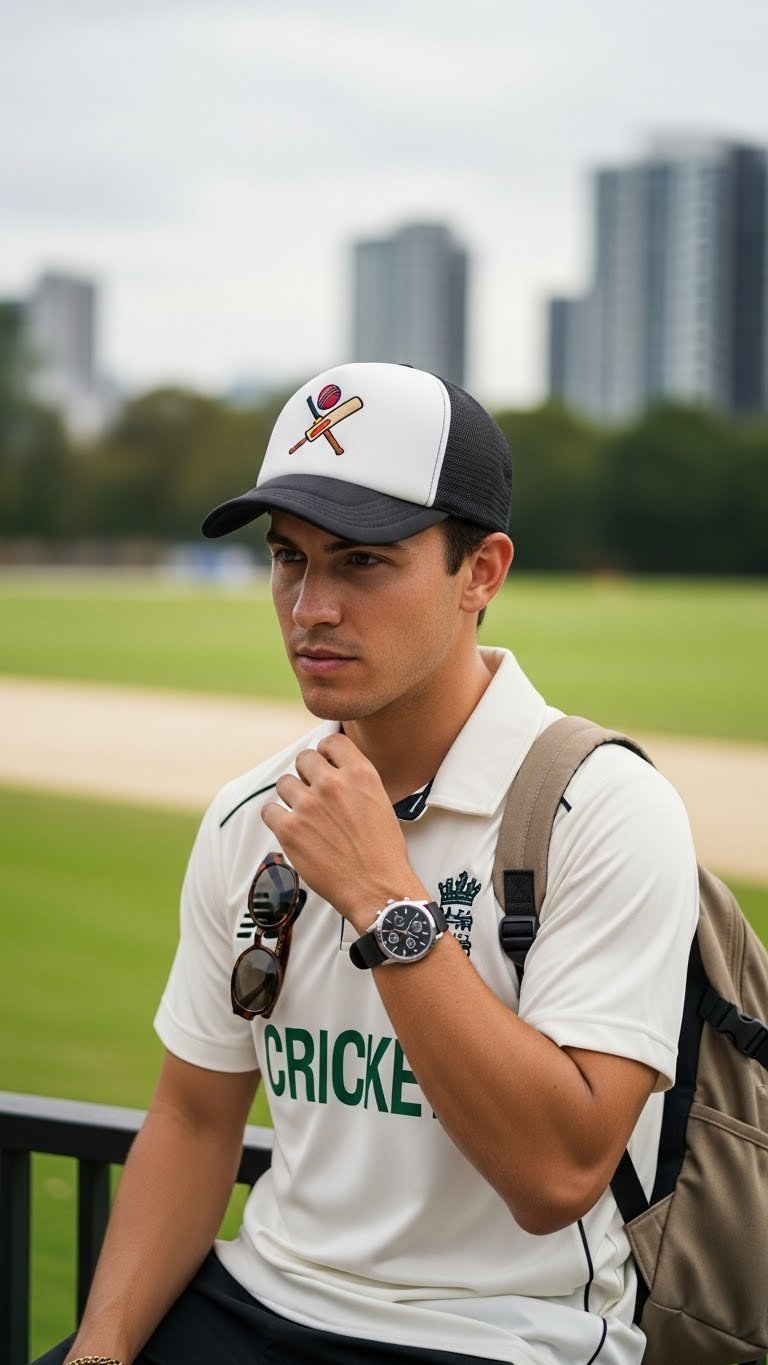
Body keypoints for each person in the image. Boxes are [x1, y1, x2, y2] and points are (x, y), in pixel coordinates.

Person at [37, 362, 698, 1365]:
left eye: (362, 562)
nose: (310, 607)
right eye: (288, 559)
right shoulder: (250, 815)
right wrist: (103, 1345)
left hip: (502, 1336)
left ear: (482, 572)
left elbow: (558, 1176)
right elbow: (193, 1114)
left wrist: (382, 895)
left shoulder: (602, 809)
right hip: (261, 1299)